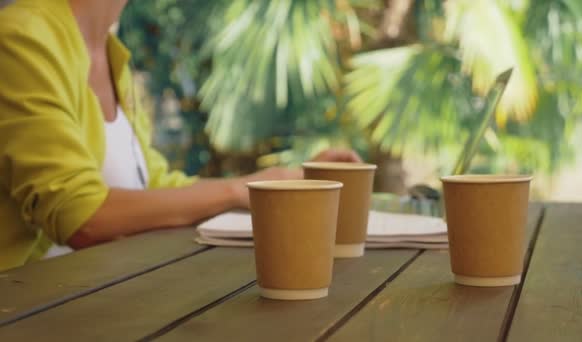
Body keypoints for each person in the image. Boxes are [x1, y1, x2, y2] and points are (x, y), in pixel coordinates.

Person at [0, 0, 362, 270]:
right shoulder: (22, 37)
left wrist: (285, 182)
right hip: (34, 314)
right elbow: (82, 219)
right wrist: (245, 189)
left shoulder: (112, 57)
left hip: (105, 297)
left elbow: (152, 187)